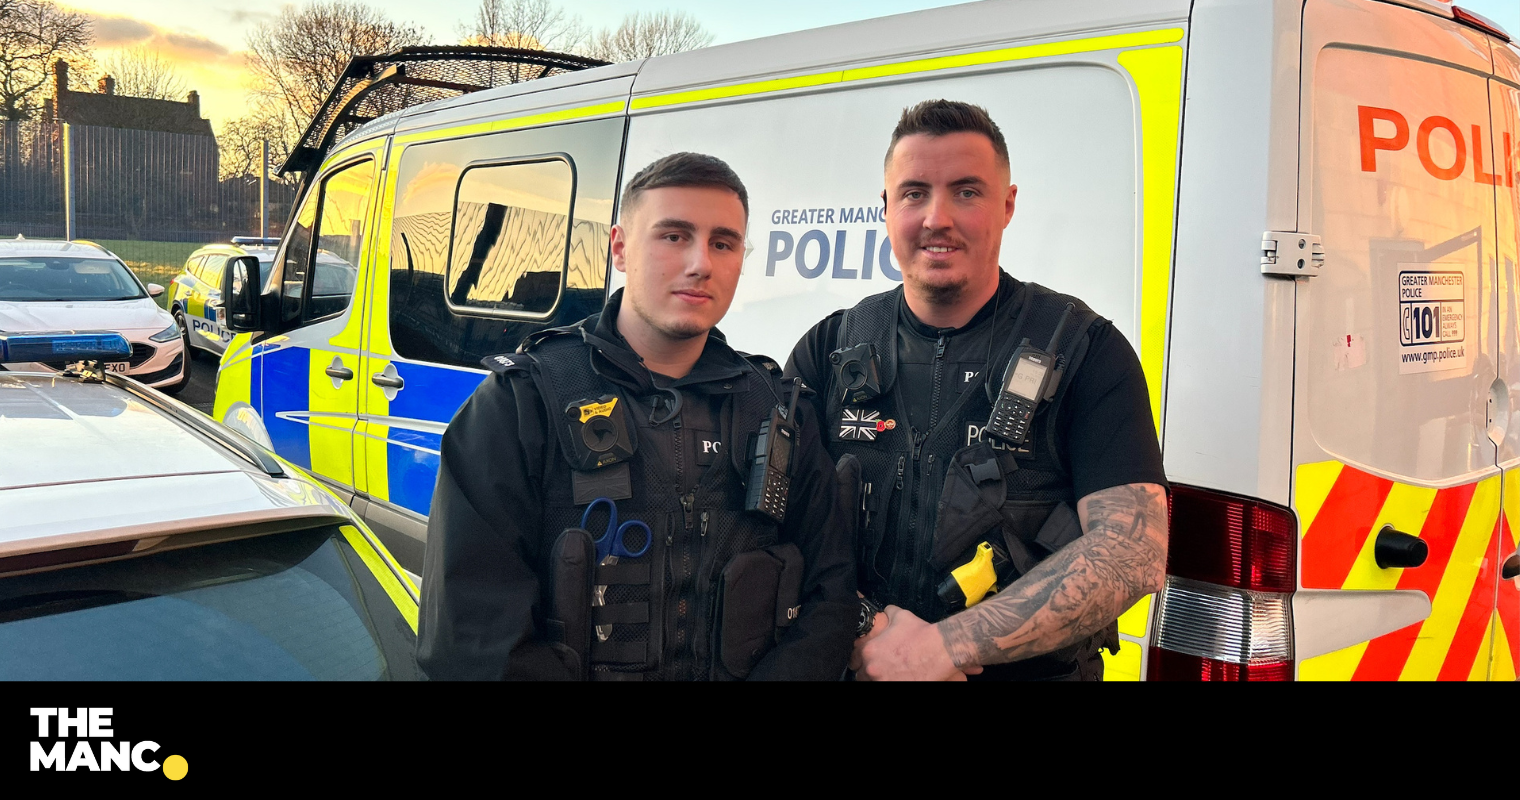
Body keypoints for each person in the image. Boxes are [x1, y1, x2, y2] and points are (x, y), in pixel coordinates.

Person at [419, 152, 857, 681]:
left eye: (723, 243)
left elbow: (830, 596)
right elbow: (472, 639)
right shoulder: (519, 405)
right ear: (620, 248)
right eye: (674, 236)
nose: (701, 263)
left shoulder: (777, 410)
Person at [784, 100, 1168, 681]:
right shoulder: (830, 347)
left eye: (966, 192)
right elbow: (776, 525)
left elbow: (1131, 553)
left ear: (1007, 205)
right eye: (914, 193)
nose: (937, 218)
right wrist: (865, 626)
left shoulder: (1085, 350)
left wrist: (945, 647)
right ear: (885, 207)